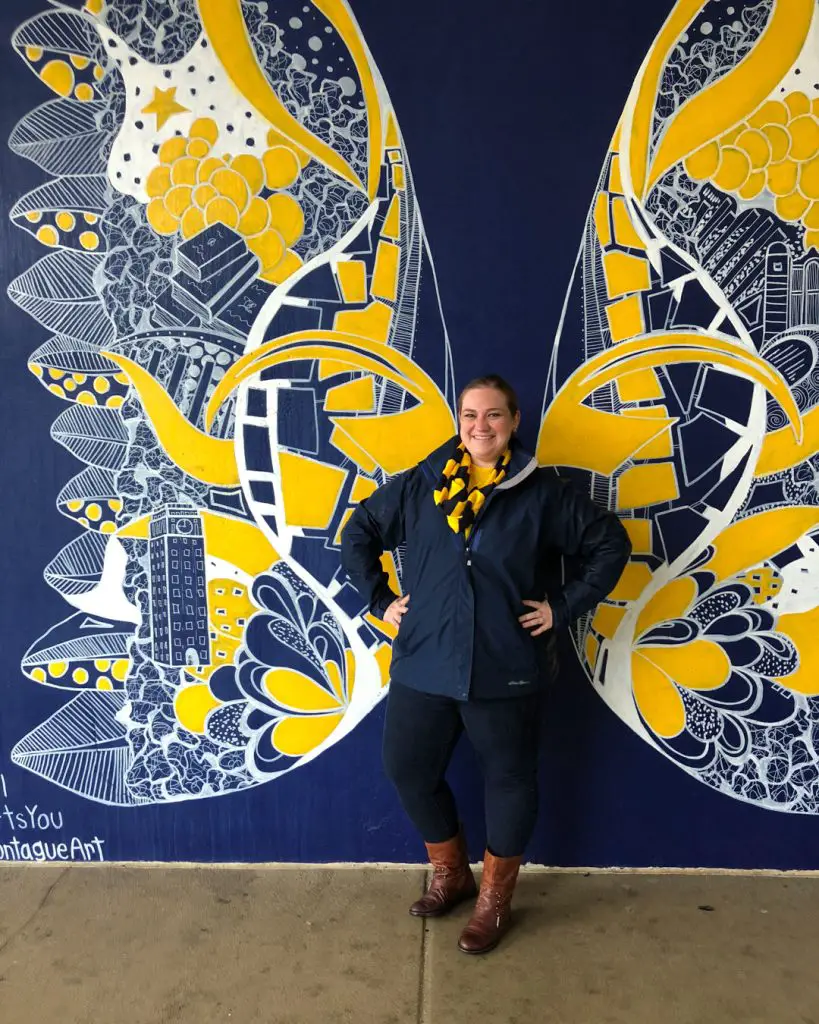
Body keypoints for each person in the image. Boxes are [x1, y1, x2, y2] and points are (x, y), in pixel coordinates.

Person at [341, 374, 631, 954]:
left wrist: (564, 606)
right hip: (425, 661)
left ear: (514, 422)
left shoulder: (541, 491)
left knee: (509, 780)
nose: (481, 426)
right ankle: (452, 874)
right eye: (471, 414)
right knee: (408, 770)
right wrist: (379, 600)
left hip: (506, 665)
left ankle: (495, 900)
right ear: (458, 420)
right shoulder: (422, 484)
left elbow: (609, 543)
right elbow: (360, 532)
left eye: (494, 415)